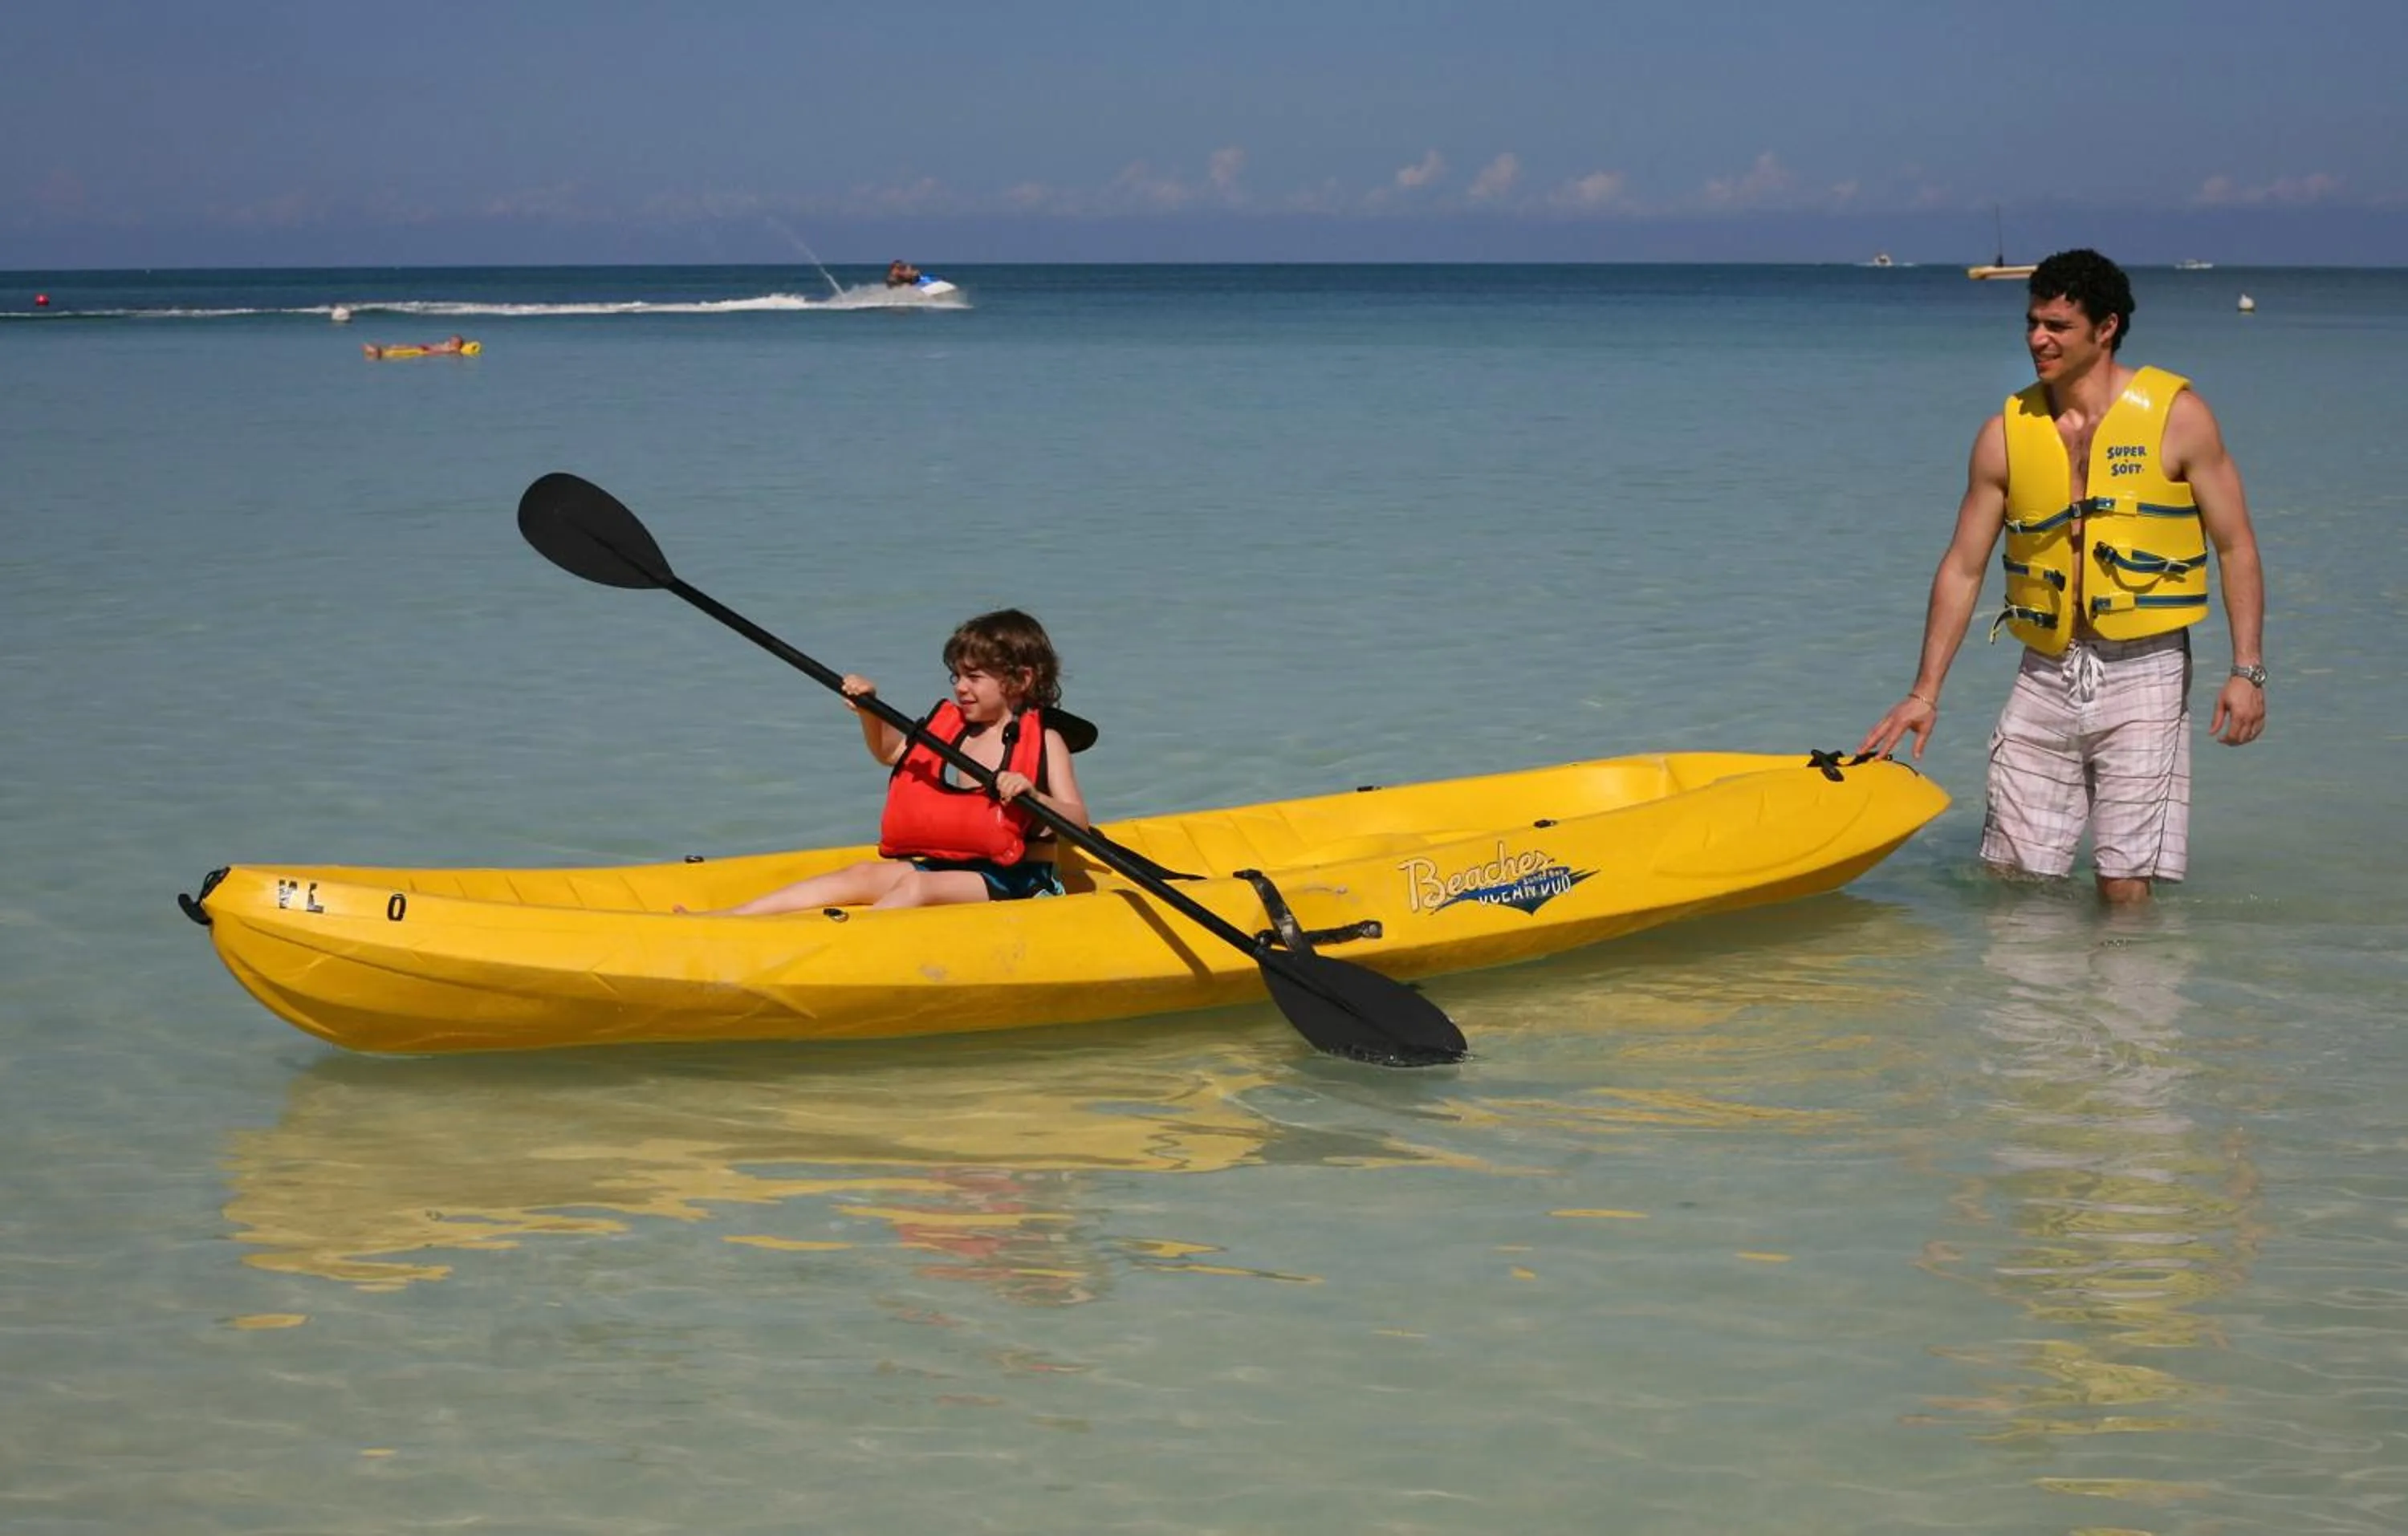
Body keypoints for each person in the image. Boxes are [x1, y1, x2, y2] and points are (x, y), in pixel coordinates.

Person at [1858, 249, 2267, 904]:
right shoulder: (2005, 434)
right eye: (2032, 323)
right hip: (2046, 666)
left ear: (2105, 329)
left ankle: (2126, 1001)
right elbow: (1963, 567)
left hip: (2147, 666)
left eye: (2057, 326)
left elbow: (2236, 545)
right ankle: (2035, 1005)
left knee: (2122, 879)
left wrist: (2247, 672)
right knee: (2016, 874)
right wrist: (1924, 691)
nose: (2037, 339)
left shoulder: (2179, 419)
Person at [701, 608, 1088, 915]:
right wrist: (869, 712)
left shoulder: (1046, 741)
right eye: (955, 676)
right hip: (958, 868)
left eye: (973, 677)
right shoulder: (955, 732)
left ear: (1020, 680)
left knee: (917, 886)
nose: (959, 687)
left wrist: (1033, 795)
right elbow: (891, 753)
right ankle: (735, 917)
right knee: (861, 875)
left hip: (1021, 879)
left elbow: (1078, 823)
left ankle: (846, 946)